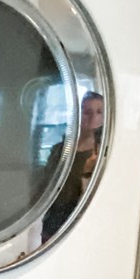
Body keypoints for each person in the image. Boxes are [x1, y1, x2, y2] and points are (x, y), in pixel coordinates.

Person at [41, 91, 105, 240]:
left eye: (99, 112)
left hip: (83, 226)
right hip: (53, 223)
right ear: (77, 115)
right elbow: (46, 185)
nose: (93, 118)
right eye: (87, 112)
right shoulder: (60, 150)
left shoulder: (104, 155)